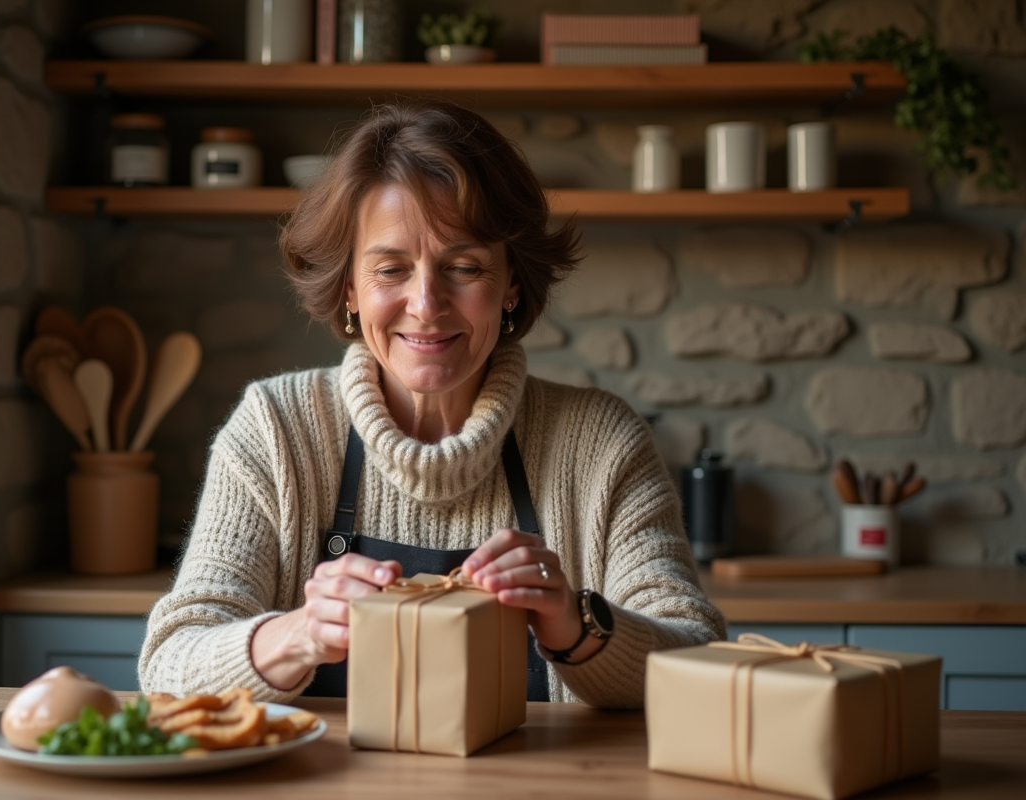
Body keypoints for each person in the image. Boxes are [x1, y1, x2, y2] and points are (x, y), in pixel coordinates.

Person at [139, 100, 725, 708]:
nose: (426, 303)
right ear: (349, 290)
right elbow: (169, 663)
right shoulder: (276, 429)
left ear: (511, 285)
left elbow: (698, 662)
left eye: (464, 267)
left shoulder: (601, 441)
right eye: (391, 270)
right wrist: (298, 635)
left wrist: (577, 627)